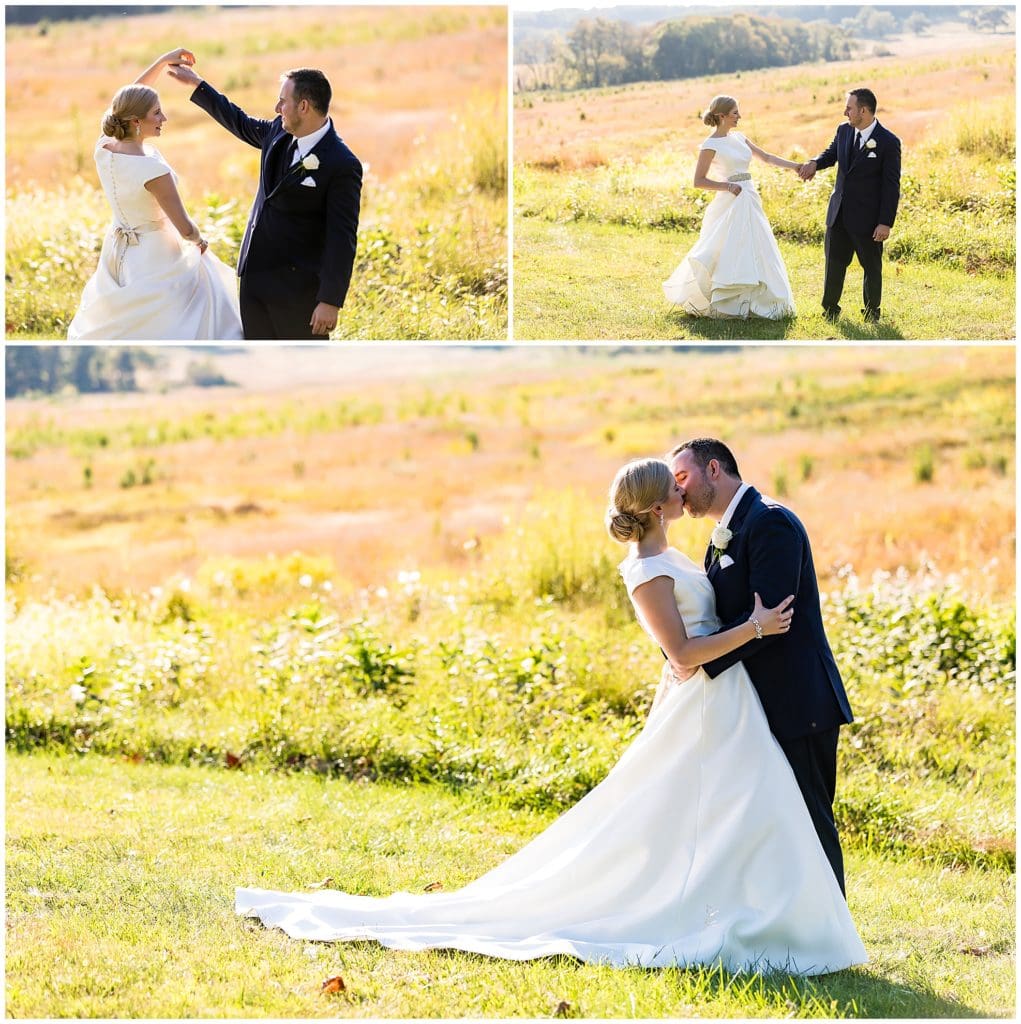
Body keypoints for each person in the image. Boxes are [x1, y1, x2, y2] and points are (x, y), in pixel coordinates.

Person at [234, 458, 868, 976]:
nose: (682, 492)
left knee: (754, 816)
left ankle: (786, 918)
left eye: (684, 480)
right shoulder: (647, 571)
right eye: (671, 487)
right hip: (706, 706)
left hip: (729, 706)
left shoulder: (688, 553)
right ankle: (742, 920)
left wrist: (746, 629)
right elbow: (682, 652)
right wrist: (754, 627)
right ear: (654, 507)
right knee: (699, 817)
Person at [668, 438, 853, 892]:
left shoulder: (769, 523)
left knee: (809, 817)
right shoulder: (724, 532)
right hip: (752, 705)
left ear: (714, 469)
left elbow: (773, 618)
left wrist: (695, 661)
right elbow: (726, 617)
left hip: (797, 701)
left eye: (683, 478)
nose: (679, 493)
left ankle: (834, 932)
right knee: (771, 823)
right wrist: (683, 652)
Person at [167, 56, 362, 340]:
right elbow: (239, 121)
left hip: (298, 292)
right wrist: (198, 84)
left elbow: (342, 237)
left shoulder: (342, 164)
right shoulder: (277, 133)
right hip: (253, 281)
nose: (277, 108)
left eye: (283, 101)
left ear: (304, 106)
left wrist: (330, 300)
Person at [67, 49, 243, 340]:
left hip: (118, 248)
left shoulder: (105, 147)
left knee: (130, 321)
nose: (165, 117)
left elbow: (127, 100)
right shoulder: (151, 170)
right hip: (156, 254)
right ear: (136, 121)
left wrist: (162, 63)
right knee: (188, 307)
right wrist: (201, 243)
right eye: (157, 113)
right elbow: (185, 227)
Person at [663, 95, 799, 319]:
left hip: (750, 198)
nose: (739, 116)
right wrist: (727, 186)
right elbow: (699, 181)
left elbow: (765, 157)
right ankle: (728, 300)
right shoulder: (710, 145)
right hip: (731, 201)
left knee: (758, 247)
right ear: (721, 116)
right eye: (735, 112)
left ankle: (759, 300)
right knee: (729, 249)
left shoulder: (740, 138)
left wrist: (797, 166)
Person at [798, 88, 901, 323]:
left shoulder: (888, 142)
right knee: (833, 263)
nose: (845, 112)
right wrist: (815, 162)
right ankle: (830, 309)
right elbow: (831, 154)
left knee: (871, 267)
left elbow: (891, 186)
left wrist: (885, 222)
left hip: (868, 218)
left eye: (849, 108)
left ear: (863, 111)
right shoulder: (844, 131)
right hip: (839, 214)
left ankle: (872, 312)